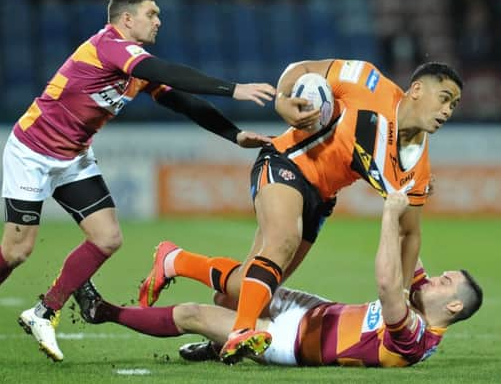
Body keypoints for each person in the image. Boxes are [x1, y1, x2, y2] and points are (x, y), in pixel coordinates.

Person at [0, 0, 275, 365]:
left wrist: (234, 134)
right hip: (31, 153)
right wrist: (235, 89)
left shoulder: (135, 65)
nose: (158, 21)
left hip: (73, 157)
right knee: (17, 250)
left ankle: (45, 311)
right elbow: (168, 70)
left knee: (107, 238)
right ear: (127, 19)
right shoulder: (110, 47)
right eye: (151, 14)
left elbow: (183, 100)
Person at [138, 58, 463, 362]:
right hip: (284, 161)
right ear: (417, 89)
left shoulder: (416, 169)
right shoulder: (368, 81)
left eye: (454, 105)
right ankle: (241, 331)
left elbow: (409, 233)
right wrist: (282, 101)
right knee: (283, 241)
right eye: (444, 98)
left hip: (320, 200)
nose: (447, 110)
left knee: (247, 290)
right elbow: (302, 67)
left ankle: (173, 260)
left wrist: (403, 293)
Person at [73, 193, 483, 367]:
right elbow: (408, 248)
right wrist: (405, 196)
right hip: (313, 310)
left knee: (192, 313)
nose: (435, 279)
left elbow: (385, 283)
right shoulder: (420, 307)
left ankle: (103, 311)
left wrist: (389, 215)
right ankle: (175, 261)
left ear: (453, 307)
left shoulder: (413, 337)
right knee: (234, 290)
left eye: (445, 282)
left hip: (289, 341)